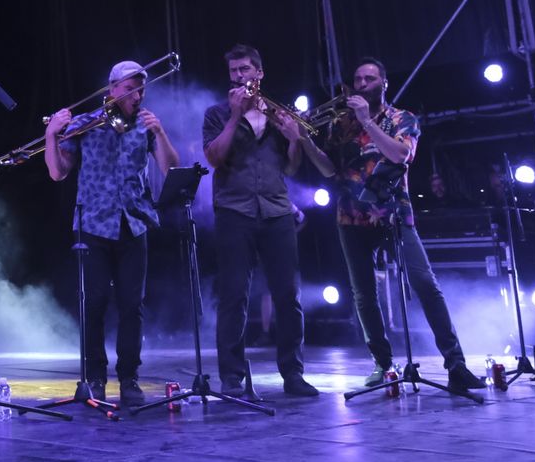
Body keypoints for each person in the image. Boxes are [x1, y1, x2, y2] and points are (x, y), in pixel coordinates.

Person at [311, 57, 484, 395]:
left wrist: (366, 121)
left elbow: (400, 156)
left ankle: (456, 364)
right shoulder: (340, 125)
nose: (362, 84)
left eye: (370, 78)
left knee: (425, 284)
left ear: (384, 83)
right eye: (357, 79)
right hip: (350, 215)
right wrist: (303, 141)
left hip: (394, 211)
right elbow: (329, 170)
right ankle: (383, 364)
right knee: (364, 295)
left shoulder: (403, 119)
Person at [44, 59, 179, 407]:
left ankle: (129, 377)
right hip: (93, 227)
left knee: (132, 305)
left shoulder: (146, 126)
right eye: (131, 88)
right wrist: (51, 134)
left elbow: (172, 169)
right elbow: (58, 172)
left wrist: (161, 133)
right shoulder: (87, 124)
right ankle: (95, 376)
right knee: (95, 303)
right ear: (113, 89)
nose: (138, 95)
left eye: (142, 88)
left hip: (134, 223)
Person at [202, 44, 325, 399]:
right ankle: (232, 378)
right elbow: (215, 158)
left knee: (288, 295)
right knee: (233, 297)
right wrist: (234, 117)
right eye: (234, 72)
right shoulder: (216, 113)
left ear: (259, 73)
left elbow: (290, 167)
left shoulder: (279, 114)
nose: (239, 77)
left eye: (245, 70)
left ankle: (293, 373)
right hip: (234, 211)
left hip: (276, 211)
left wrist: (293, 141)